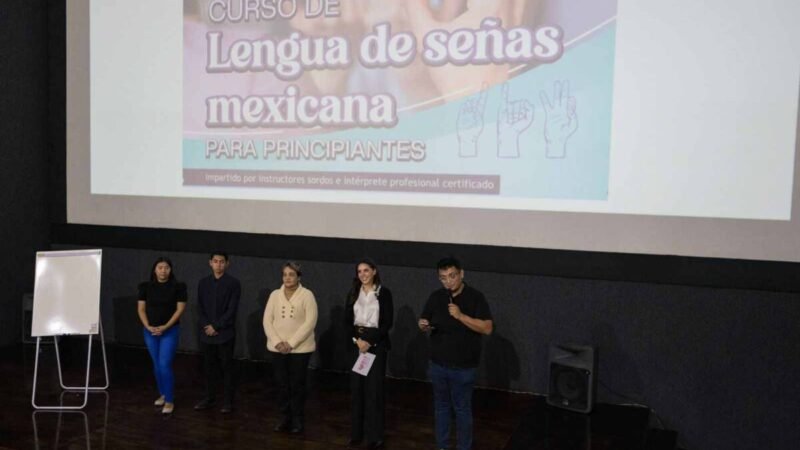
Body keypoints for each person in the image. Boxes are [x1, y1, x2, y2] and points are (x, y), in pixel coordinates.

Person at [418, 257, 493, 450]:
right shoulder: (436, 297)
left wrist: (461, 316)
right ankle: (442, 446)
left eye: (452, 276)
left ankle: (463, 447)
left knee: (462, 409)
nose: (448, 282)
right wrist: (423, 324)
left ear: (462, 274)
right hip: (438, 364)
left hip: (463, 367)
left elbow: (487, 328)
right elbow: (425, 319)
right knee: (441, 408)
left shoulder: (476, 297)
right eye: (443, 278)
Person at [344, 258, 394, 450]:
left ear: (374, 271)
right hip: (357, 345)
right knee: (357, 391)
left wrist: (369, 341)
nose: (363, 274)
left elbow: (387, 322)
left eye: (366, 270)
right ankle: (356, 434)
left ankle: (375, 435)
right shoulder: (353, 292)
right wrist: (357, 341)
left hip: (376, 345)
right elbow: (347, 322)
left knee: (374, 391)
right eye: (359, 271)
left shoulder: (383, 293)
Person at [263, 261, 318, 434]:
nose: (287, 278)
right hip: (278, 349)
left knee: (297, 385)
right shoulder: (274, 295)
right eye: (285, 274)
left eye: (291, 274)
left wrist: (291, 343)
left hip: (300, 350)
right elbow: (267, 321)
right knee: (282, 384)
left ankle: (297, 419)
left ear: (298, 277)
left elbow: (310, 322)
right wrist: (277, 342)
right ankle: (284, 417)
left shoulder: (307, 295)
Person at [137, 257, 187, 415]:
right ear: (155, 270)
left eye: (166, 267)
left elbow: (180, 310)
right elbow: (141, 309)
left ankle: (170, 400)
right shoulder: (145, 287)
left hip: (169, 330)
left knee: (164, 364)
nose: (163, 270)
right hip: (150, 331)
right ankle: (163, 394)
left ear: (170, 270)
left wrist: (165, 326)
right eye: (160, 267)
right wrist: (148, 326)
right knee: (156, 364)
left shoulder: (179, 287)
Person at [194, 252, 241, 414]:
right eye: (215, 261)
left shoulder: (233, 283)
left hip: (225, 333)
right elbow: (199, 307)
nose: (218, 264)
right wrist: (207, 325)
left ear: (227, 264)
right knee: (208, 368)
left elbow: (232, 309)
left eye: (222, 261)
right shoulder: (203, 282)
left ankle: (228, 401)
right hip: (206, 333)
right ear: (210, 263)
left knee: (227, 368)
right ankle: (209, 398)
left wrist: (216, 326)